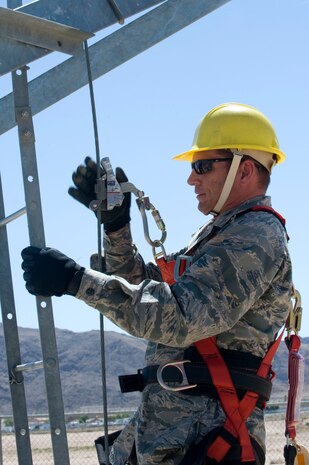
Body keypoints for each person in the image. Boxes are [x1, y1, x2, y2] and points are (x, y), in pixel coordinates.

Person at [21, 103, 293, 465]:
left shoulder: (256, 236)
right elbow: (148, 289)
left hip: (205, 441)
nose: (191, 179)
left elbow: (180, 317)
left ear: (243, 170)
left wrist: (75, 281)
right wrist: (117, 228)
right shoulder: (220, 235)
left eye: (201, 165)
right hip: (177, 439)